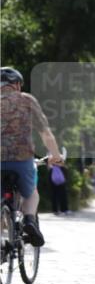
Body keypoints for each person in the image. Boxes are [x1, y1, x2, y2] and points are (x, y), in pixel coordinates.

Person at [0, 67, 64, 246]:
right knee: (31, 193)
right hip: (22, 159)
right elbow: (45, 133)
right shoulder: (26, 100)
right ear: (17, 84)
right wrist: (56, 155)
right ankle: (29, 221)